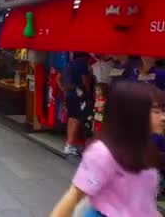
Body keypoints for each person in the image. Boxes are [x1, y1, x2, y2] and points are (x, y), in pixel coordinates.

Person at [50, 82, 161, 217]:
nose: (163, 117)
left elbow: (141, 202)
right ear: (135, 113)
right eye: (156, 111)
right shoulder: (103, 153)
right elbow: (74, 196)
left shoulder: (144, 148)